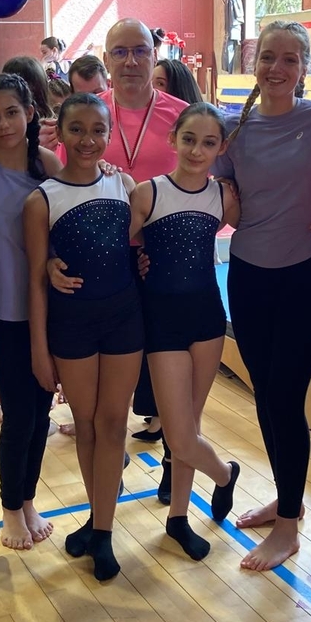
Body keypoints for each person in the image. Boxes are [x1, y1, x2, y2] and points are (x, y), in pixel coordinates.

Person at [214, 21, 311, 570]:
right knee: (266, 396)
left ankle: (289, 524)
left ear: (304, 68)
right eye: (268, 57)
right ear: (255, 62)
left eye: (290, 59)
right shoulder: (232, 128)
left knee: (286, 399)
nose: (277, 68)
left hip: (301, 277)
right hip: (248, 275)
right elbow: (217, 197)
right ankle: (285, 498)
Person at [48, 21, 188, 484]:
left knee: (170, 374)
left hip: (163, 260)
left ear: (155, 55)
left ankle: (176, 461)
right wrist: (49, 257)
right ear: (106, 59)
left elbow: (216, 179)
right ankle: (110, 472)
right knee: (110, 392)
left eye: (140, 51)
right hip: (98, 267)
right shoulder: (84, 116)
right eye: (120, 52)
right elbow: (54, 192)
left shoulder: (182, 117)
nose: (131, 61)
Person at [25, 93, 143, 582]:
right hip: (71, 325)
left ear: (109, 134)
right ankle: (98, 520)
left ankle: (104, 531)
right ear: (60, 132)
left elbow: (141, 247)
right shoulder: (41, 199)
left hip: (123, 320)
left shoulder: (124, 184)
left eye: (98, 130)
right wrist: (39, 349)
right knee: (87, 424)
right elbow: (36, 280)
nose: (88, 140)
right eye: (77, 129)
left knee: (114, 425)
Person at [129, 103, 241, 560]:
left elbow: (265, 226)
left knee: (190, 426)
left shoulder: (223, 196)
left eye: (208, 142)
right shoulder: (147, 193)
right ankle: (225, 475)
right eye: (189, 139)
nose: (197, 150)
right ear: (172, 138)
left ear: (221, 148)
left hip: (207, 319)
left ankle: (178, 518)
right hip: (162, 323)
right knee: (178, 435)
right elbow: (118, 249)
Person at [0, 73, 64, 551]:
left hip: (44, 309)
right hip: (0, 310)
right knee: (19, 416)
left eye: (12, 112)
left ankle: (28, 500)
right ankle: (11, 508)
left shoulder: (46, 164)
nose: (3, 123)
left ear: (30, 113)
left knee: (41, 414)